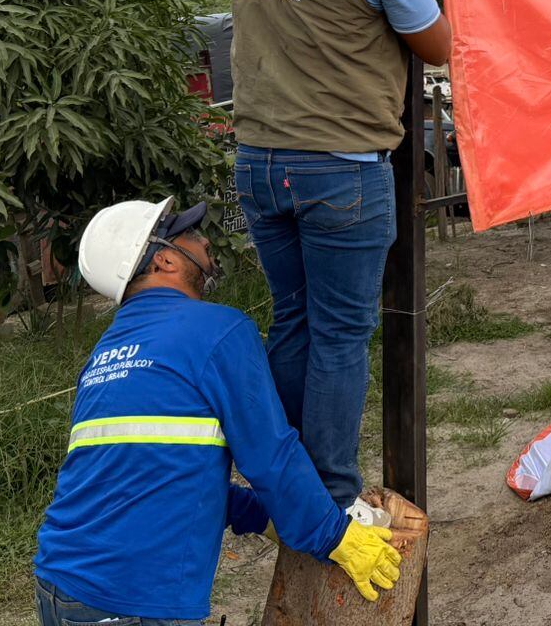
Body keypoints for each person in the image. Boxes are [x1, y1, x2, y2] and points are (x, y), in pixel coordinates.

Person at [231, 0, 450, 522]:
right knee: (340, 336)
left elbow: (317, 2)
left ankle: (272, 474)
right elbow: (437, 44)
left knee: (292, 319)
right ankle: (330, 497)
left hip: (261, 161)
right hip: (341, 167)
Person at [33, 199, 401, 625]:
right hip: (134, 601)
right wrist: (336, 536)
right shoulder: (218, 330)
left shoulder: (106, 352)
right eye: (189, 233)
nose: (205, 240)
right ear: (164, 258)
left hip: (58, 587)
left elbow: (148, 472)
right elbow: (270, 456)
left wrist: (255, 513)